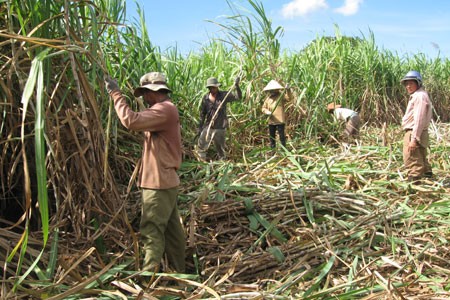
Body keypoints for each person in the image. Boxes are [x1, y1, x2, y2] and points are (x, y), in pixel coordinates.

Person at [105, 72, 186, 273]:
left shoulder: (164, 110)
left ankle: (148, 280)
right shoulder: (164, 110)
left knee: (151, 231)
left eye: (144, 94)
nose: (144, 99)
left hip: (158, 184)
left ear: (153, 92)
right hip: (164, 181)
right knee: (172, 231)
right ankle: (182, 275)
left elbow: (130, 121)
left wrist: (115, 93)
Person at [196, 76, 242, 161]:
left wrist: (237, 86)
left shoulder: (224, 95)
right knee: (201, 146)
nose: (215, 89)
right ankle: (201, 163)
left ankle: (222, 166)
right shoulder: (205, 98)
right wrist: (200, 127)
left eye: (216, 87)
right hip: (209, 127)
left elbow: (238, 97)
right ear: (209, 88)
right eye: (213, 87)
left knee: (221, 150)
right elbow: (202, 114)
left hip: (220, 127)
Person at [400, 70, 433, 183]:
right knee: (422, 159)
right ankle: (429, 184)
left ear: (418, 83)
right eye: (406, 83)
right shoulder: (421, 95)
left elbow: (419, 119)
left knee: (412, 159)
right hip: (419, 132)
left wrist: (414, 139)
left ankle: (414, 188)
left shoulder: (419, 96)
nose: (408, 86)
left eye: (411, 83)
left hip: (414, 132)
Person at [261, 80, 292, 150]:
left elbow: (289, 98)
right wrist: (267, 112)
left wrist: (288, 90)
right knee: (272, 136)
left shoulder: (281, 96)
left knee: (282, 136)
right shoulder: (268, 99)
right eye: (270, 90)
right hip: (271, 121)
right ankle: (273, 149)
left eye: (272, 90)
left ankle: (284, 149)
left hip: (280, 120)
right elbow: (263, 108)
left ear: (276, 89)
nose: (271, 91)